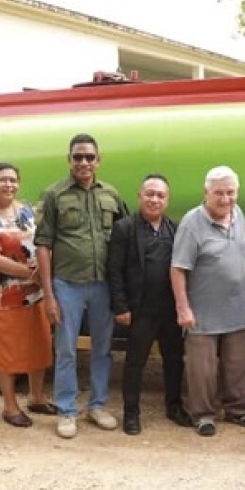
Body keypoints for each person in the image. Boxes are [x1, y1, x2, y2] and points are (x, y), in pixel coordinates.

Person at [35, 133, 126, 439]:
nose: (84, 162)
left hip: (103, 285)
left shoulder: (111, 194)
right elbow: (43, 246)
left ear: (98, 160)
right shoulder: (54, 195)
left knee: (103, 349)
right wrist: (49, 295)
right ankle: (66, 410)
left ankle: (97, 406)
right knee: (66, 350)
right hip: (67, 285)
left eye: (89, 157)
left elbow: (123, 241)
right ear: (69, 160)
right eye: (78, 157)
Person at [172, 165, 245, 436]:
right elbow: (177, 268)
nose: (225, 199)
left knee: (237, 364)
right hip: (201, 312)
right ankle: (202, 414)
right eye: (219, 193)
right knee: (202, 369)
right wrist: (183, 307)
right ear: (206, 193)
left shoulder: (238, 215)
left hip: (234, 309)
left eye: (230, 192)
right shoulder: (192, 223)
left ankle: (238, 410)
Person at [107, 174, 192, 435]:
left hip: (168, 309)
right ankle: (131, 414)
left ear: (167, 200)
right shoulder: (124, 228)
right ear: (140, 197)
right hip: (139, 310)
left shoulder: (174, 229)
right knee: (135, 363)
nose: (154, 200)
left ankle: (174, 406)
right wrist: (120, 307)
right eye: (150, 194)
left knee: (174, 360)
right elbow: (115, 270)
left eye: (160, 195)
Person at [0, 163, 55, 428]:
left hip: (35, 294)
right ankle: (10, 406)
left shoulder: (28, 211)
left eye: (13, 180)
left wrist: (41, 272)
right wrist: (26, 271)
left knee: (39, 343)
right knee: (7, 350)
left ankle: (36, 396)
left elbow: (44, 240)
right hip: (3, 295)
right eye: (2, 180)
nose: (8, 185)